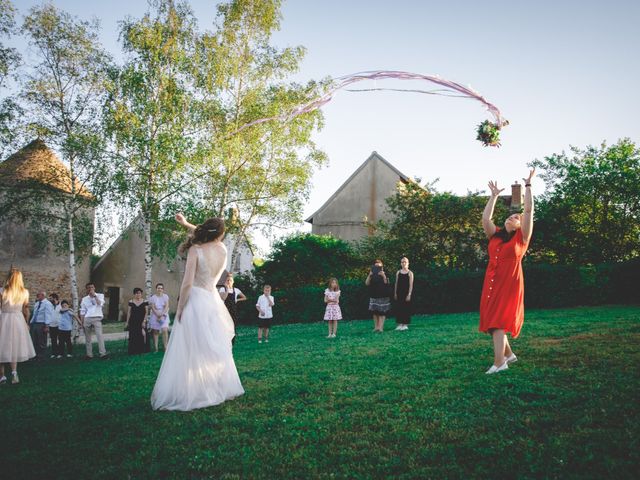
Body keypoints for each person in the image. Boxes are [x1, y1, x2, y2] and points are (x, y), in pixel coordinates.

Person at [151, 215, 244, 411]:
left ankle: (195, 391)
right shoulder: (222, 249)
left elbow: (187, 283)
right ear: (219, 234)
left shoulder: (196, 250)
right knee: (210, 346)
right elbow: (208, 235)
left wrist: (181, 307)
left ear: (205, 231)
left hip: (195, 299)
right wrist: (186, 225)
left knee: (191, 347)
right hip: (212, 301)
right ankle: (215, 386)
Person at [479, 169, 535, 374]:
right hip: (492, 282)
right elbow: (486, 219)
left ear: (520, 225)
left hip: (510, 283)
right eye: (510, 216)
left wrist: (528, 186)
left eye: (515, 217)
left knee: (498, 320)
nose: (512, 217)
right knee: (493, 322)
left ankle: (499, 362)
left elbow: (528, 211)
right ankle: (509, 355)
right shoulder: (495, 236)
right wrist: (493, 197)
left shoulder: (522, 237)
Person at [0, 268, 35, 384]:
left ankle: (2, 376)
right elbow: (26, 310)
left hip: (4, 319)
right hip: (18, 320)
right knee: (13, 348)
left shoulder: (2, 291)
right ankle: (14, 373)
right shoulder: (24, 292)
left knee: (2, 347)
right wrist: (27, 323)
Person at [79, 283, 107, 359]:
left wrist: (95, 296)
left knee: (99, 336)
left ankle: (103, 354)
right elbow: (82, 311)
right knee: (88, 338)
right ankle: (89, 355)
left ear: (94, 288)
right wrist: (81, 322)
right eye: (89, 288)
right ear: (87, 289)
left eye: (92, 287)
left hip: (97, 318)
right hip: (87, 318)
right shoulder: (85, 299)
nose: (90, 289)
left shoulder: (100, 295)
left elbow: (100, 304)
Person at [218, 275, 247, 345]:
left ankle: (232, 342)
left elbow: (244, 297)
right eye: (227, 280)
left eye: (230, 280)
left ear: (233, 282)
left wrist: (237, 299)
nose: (228, 282)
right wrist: (227, 289)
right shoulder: (222, 289)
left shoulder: (236, 290)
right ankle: (224, 341)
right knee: (224, 326)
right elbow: (224, 298)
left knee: (233, 326)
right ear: (225, 281)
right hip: (225, 311)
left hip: (233, 311)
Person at [365, 260, 390, 332]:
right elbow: (367, 283)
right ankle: (376, 327)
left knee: (382, 312)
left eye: (379, 266)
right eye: (376, 266)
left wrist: (383, 276)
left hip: (383, 295)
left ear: (382, 265)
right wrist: (369, 276)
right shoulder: (371, 273)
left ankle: (381, 328)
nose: (377, 267)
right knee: (375, 312)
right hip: (374, 294)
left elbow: (387, 283)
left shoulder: (385, 272)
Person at [30, 289, 54, 360]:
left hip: (42, 324)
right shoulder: (37, 303)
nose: (37, 296)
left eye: (38, 295)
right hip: (35, 323)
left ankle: (41, 356)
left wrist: (47, 326)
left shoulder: (47, 304)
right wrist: (31, 322)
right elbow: (34, 314)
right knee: (35, 340)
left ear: (43, 295)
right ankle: (35, 355)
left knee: (42, 340)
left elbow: (48, 315)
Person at [126, 288, 149, 355]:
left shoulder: (145, 301)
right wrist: (127, 322)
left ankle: (142, 350)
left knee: (142, 335)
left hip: (142, 321)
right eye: (136, 293)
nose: (138, 294)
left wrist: (144, 321)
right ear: (134, 294)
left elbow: (146, 312)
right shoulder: (131, 301)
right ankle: (133, 350)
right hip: (133, 321)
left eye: (139, 293)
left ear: (141, 294)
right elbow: (129, 312)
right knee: (133, 335)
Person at [394, 257, 414, 331]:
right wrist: (395, 293)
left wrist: (409, 294)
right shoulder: (398, 272)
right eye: (402, 262)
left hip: (406, 293)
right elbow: (396, 283)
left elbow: (411, 285)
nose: (404, 263)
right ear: (401, 263)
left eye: (405, 262)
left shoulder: (410, 273)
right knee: (399, 308)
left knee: (406, 308)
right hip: (399, 293)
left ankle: (405, 324)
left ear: (408, 263)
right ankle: (399, 324)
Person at [148, 283, 170, 352]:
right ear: (156, 289)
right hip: (155, 314)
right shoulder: (153, 297)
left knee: (164, 330)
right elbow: (153, 307)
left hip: (164, 314)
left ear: (163, 289)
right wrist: (157, 314)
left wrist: (162, 314)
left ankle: (165, 347)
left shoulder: (165, 296)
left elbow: (166, 306)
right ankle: (156, 348)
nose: (159, 289)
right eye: (158, 288)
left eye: (161, 288)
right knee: (155, 331)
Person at [49, 293, 61, 358]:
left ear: (54, 298)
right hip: (51, 325)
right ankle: (54, 353)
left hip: (59, 325)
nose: (49, 300)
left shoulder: (61, 305)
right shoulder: (50, 306)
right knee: (53, 340)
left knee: (60, 340)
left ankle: (59, 353)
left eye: (50, 298)